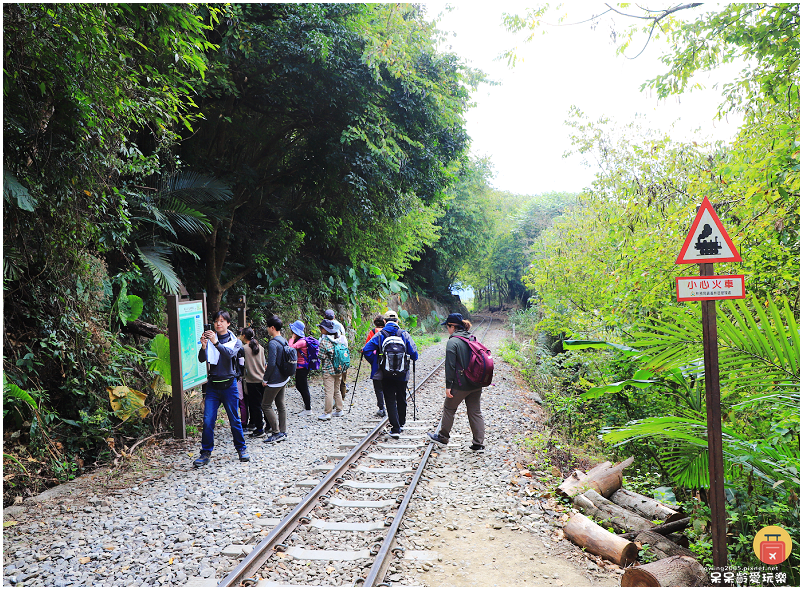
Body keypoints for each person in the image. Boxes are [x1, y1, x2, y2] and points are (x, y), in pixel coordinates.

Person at [194, 310, 249, 467]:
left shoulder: (235, 341)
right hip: (213, 385)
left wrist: (215, 342)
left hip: (229, 385)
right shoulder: (211, 339)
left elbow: (228, 354)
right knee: (208, 420)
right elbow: (201, 359)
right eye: (216, 321)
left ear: (228, 323)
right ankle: (205, 453)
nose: (218, 323)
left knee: (235, 420)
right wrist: (204, 347)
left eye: (222, 321)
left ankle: (241, 449)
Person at [428, 313, 485, 451]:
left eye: (447, 327)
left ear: (453, 326)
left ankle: (442, 437)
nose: (447, 329)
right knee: (475, 411)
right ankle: (478, 443)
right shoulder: (471, 337)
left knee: (449, 408)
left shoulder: (452, 342)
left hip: (461, 384)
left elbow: (450, 366)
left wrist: (449, 386)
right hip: (476, 383)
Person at [363, 310, 418, 439]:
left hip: (385, 373)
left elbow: (366, 350)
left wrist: (376, 362)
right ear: (398, 321)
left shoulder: (380, 335)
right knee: (401, 396)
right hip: (402, 373)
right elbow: (414, 354)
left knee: (390, 399)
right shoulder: (404, 334)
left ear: (384, 321)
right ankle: (402, 422)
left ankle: (395, 428)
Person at [261, 316, 289, 444]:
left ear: (272, 328)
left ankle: (276, 432)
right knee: (280, 404)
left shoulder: (273, 343)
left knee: (265, 405)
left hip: (275, 380)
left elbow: (271, 364)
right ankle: (283, 431)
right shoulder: (284, 340)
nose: (267, 329)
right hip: (284, 377)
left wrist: (265, 379)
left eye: (268, 327)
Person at [240, 327, 269, 438]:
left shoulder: (244, 349)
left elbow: (241, 365)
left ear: (243, 336)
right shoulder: (260, 347)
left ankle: (259, 429)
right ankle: (268, 425)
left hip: (252, 381)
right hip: (262, 379)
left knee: (255, 406)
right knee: (264, 404)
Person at [317, 319, 347, 420]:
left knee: (328, 391)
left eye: (321, 328)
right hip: (339, 369)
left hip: (328, 370)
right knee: (337, 390)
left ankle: (327, 413)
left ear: (326, 330)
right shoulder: (338, 338)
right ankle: (339, 410)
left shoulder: (324, 341)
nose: (320, 329)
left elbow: (320, 356)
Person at [362, 315, 386, 417]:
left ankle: (381, 408)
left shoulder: (373, 332)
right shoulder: (388, 331)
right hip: (389, 362)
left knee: (378, 387)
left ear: (375, 323)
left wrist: (373, 359)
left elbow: (366, 349)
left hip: (377, 362)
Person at [288, 320, 313, 417]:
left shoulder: (302, 342)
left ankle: (308, 409)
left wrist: (292, 338)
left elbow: (290, 348)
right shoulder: (302, 340)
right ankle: (307, 407)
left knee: (303, 387)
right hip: (301, 367)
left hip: (302, 368)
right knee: (299, 386)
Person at [324, 309, 348, 399]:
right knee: (342, 380)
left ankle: (334, 399)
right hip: (343, 357)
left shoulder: (326, 333)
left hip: (332, 359)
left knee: (332, 380)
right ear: (334, 316)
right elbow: (345, 345)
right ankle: (342, 397)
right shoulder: (341, 331)